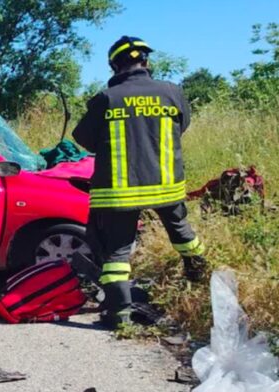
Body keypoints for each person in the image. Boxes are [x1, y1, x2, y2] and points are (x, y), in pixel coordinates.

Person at [72, 36, 208, 327]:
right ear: (146, 62)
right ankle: (200, 280)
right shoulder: (172, 92)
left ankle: (119, 316)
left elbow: (83, 140)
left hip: (120, 194)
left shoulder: (106, 99)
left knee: (118, 253)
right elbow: (181, 126)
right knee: (183, 234)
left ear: (114, 66)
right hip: (167, 187)